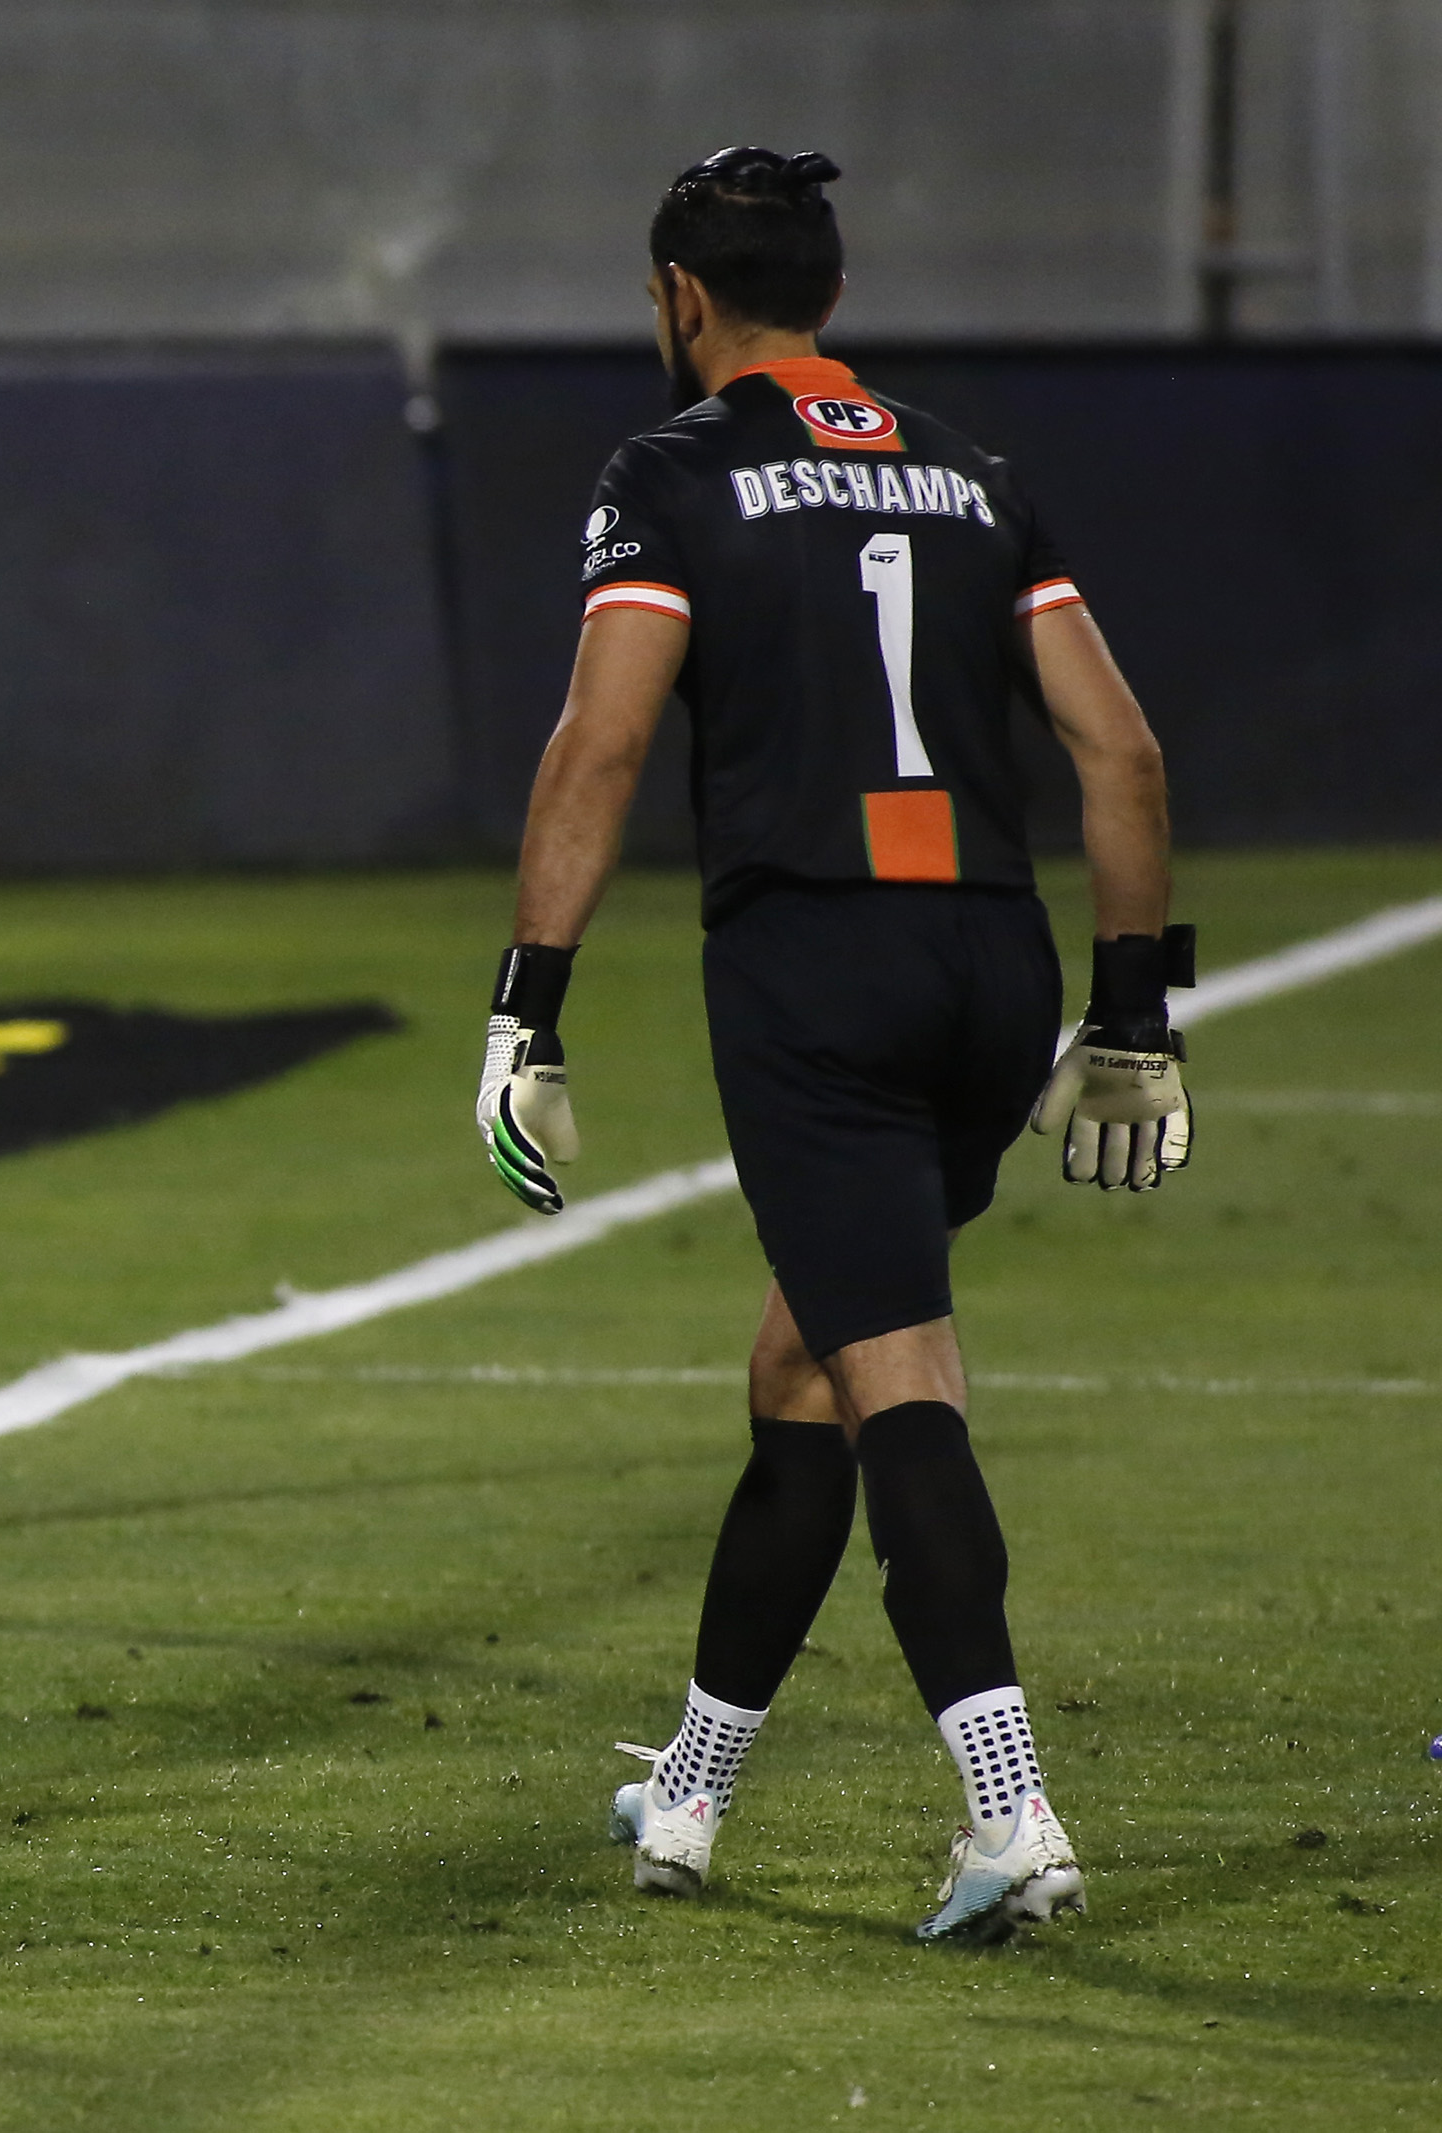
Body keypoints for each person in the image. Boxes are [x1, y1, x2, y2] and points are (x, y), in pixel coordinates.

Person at [472, 148, 1193, 1943]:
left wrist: (527, 1008)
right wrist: (1132, 1017)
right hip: (987, 963)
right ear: (835, 301)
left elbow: (602, 745)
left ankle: (1015, 1813)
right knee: (805, 1360)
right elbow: (1122, 756)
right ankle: (696, 1789)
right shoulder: (975, 474)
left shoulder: (671, 470)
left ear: (678, 300)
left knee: (898, 1380)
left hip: (814, 970)